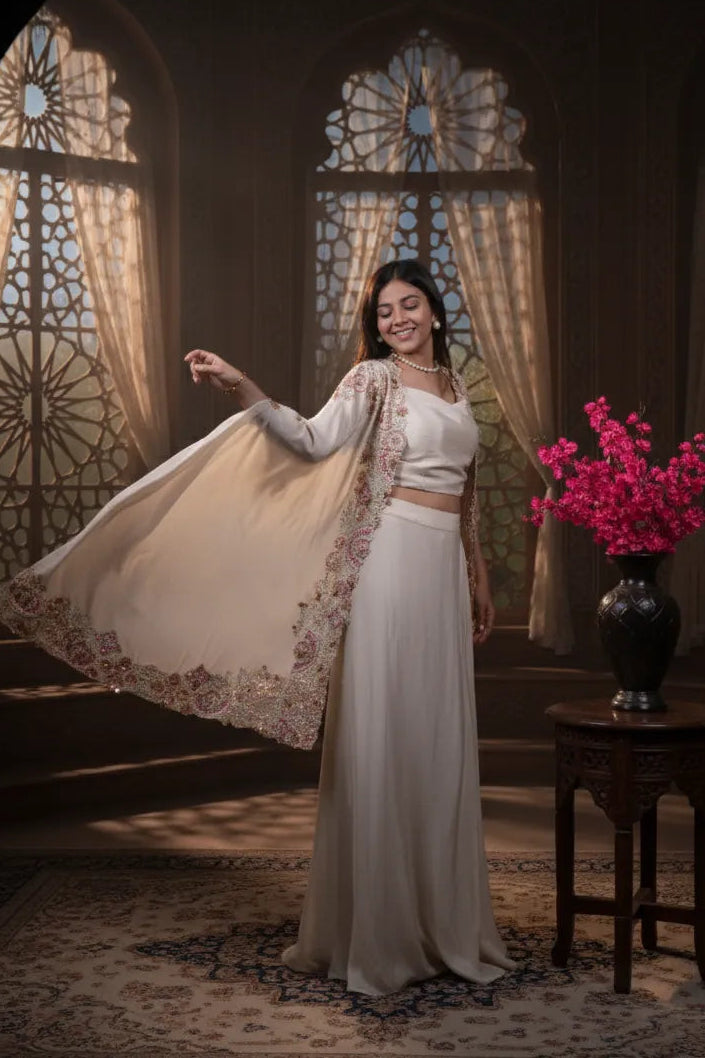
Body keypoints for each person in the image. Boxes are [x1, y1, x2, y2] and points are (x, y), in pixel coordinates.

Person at [0, 258, 513, 995]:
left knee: (435, 736)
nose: (396, 320)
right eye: (383, 314)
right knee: (386, 735)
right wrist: (242, 386)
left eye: (408, 306)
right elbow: (308, 441)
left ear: (434, 311)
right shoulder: (372, 381)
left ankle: (443, 927)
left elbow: (460, 495)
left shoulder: (457, 391)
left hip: (440, 573)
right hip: (390, 561)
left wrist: (478, 570)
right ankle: (379, 937)